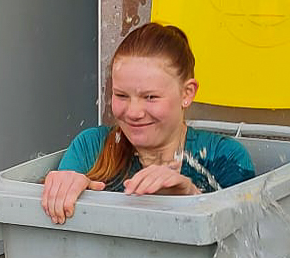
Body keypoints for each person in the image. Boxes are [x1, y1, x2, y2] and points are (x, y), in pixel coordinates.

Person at [41, 21, 254, 225]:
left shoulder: (224, 157)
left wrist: (191, 198)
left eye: (150, 97)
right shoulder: (91, 148)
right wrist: (64, 189)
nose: (133, 112)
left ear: (187, 93)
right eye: (121, 95)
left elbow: (247, 246)